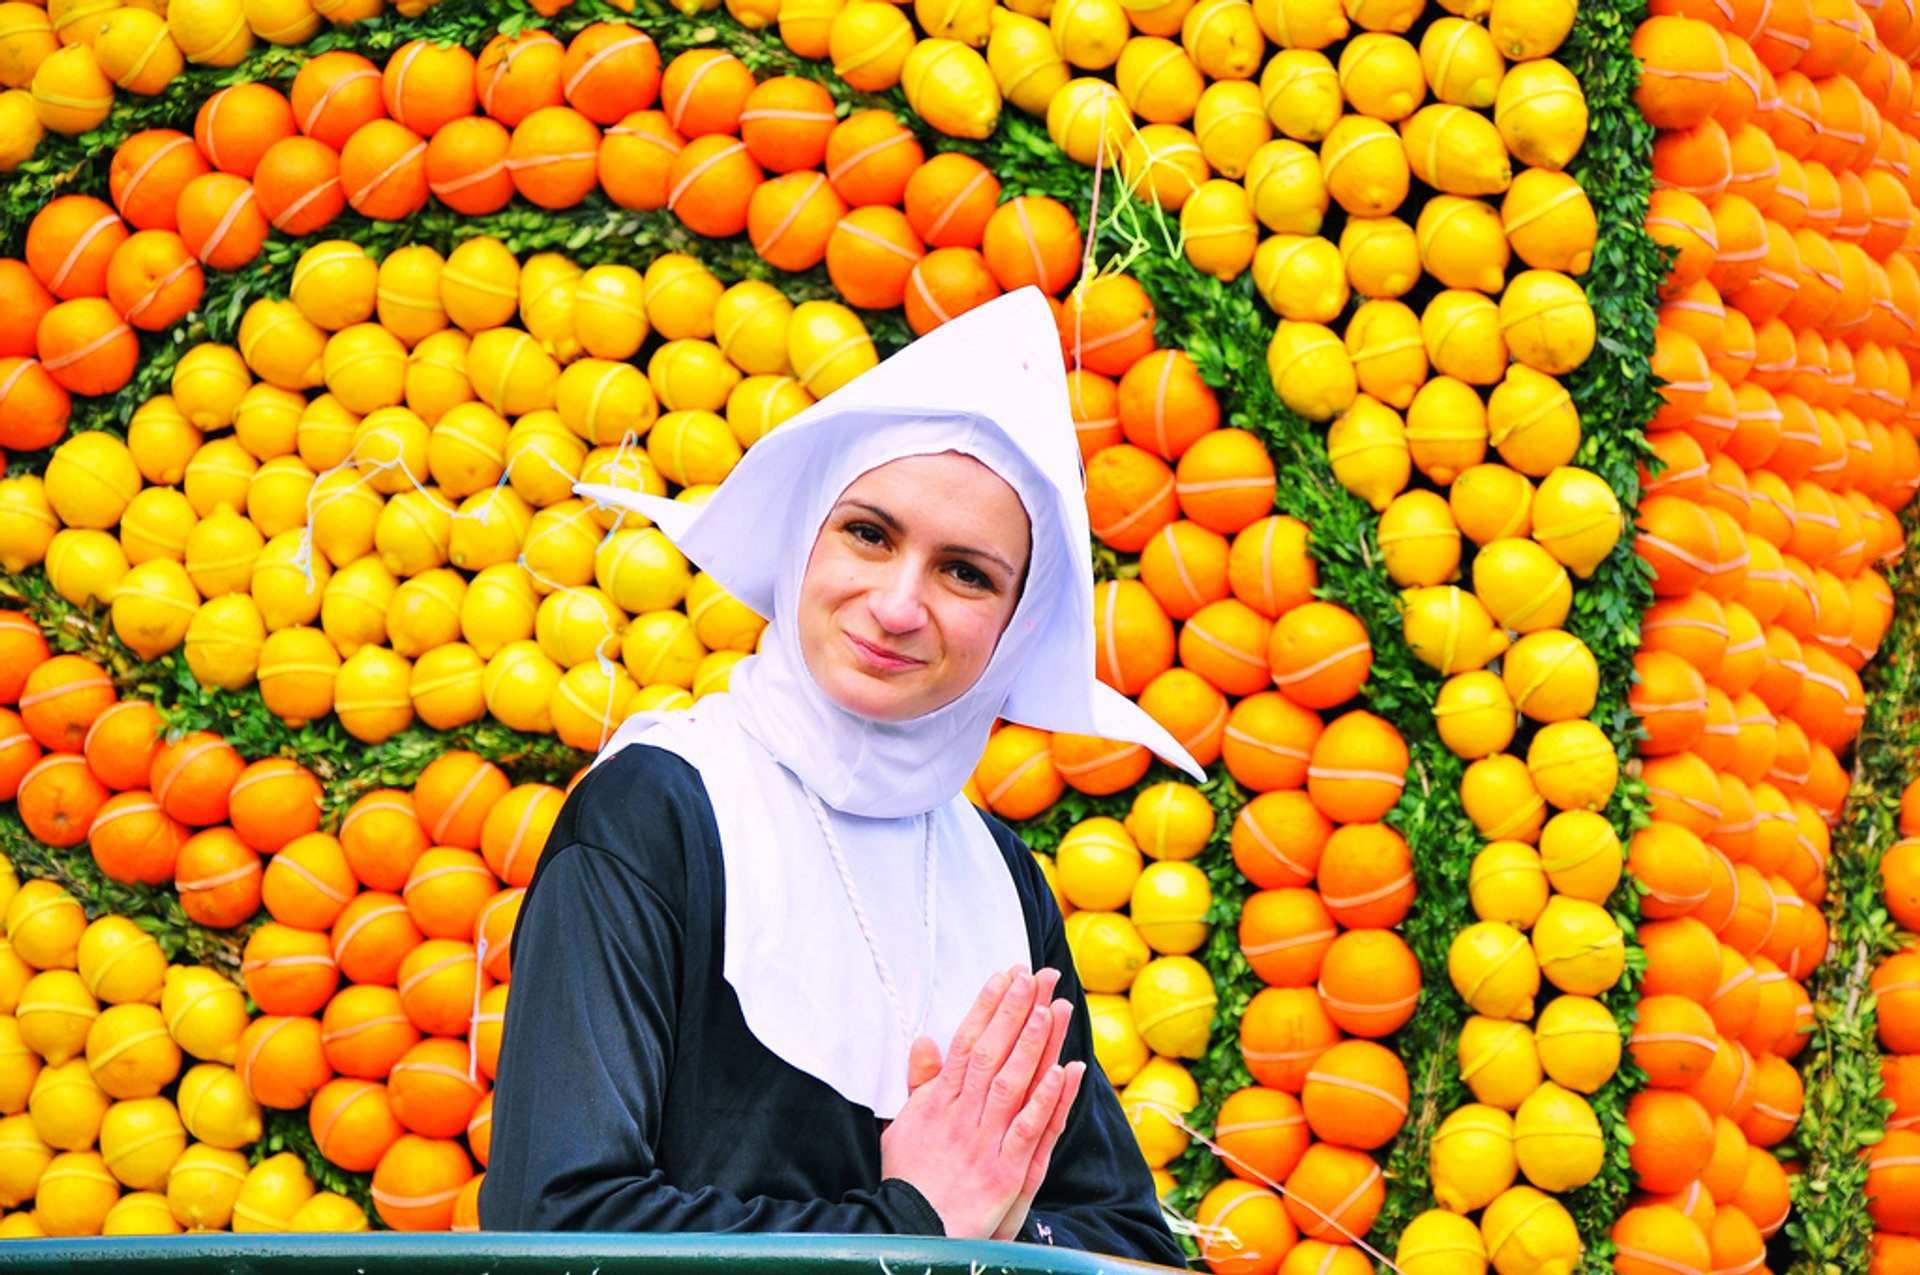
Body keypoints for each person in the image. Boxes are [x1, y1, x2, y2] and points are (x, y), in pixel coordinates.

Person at [477, 287, 1202, 1263]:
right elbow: (554, 1227)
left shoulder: (998, 873)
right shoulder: (658, 812)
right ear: (805, 534)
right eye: (869, 532)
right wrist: (915, 1228)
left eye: (966, 573)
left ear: (1017, 627)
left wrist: (995, 1220)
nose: (898, 605)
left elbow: (1121, 1243)